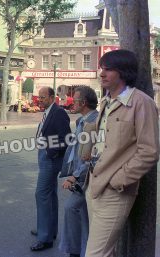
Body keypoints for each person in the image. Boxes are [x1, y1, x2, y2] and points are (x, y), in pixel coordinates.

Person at [85, 49, 160, 256]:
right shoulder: (106, 102)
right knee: (105, 251)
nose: (102, 74)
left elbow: (149, 151)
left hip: (114, 191)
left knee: (95, 254)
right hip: (93, 184)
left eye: (109, 69)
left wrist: (119, 180)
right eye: (102, 68)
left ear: (123, 73)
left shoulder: (141, 102)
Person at [58, 86, 99, 257]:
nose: (71, 103)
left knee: (71, 208)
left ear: (83, 103)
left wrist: (75, 177)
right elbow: (76, 150)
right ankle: (83, 249)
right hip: (80, 177)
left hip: (86, 179)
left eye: (74, 100)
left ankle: (74, 251)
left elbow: (91, 155)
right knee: (83, 215)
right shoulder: (81, 121)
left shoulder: (93, 122)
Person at [30, 86, 71, 251]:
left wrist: (50, 152)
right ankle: (48, 230)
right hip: (44, 156)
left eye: (43, 97)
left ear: (52, 97)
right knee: (50, 194)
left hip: (50, 159)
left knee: (41, 194)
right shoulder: (47, 111)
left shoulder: (59, 113)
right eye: (39, 97)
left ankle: (45, 238)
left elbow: (66, 138)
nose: (40, 100)